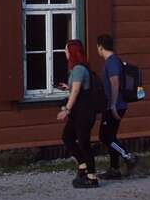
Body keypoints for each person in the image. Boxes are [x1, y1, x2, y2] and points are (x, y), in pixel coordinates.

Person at [55, 39, 99, 188]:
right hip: (78, 112)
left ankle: (92, 178)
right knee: (67, 137)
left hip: (84, 113)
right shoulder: (76, 69)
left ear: (72, 52)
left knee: (84, 142)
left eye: (66, 50)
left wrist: (66, 110)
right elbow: (75, 88)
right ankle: (82, 165)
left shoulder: (79, 69)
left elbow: (76, 91)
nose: (65, 53)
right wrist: (67, 87)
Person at [96, 34, 138, 179]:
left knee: (105, 137)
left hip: (115, 105)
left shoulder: (112, 62)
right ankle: (114, 169)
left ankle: (128, 156)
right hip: (114, 104)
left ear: (100, 47)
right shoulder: (112, 61)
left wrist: (113, 105)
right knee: (111, 137)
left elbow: (115, 83)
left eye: (98, 47)